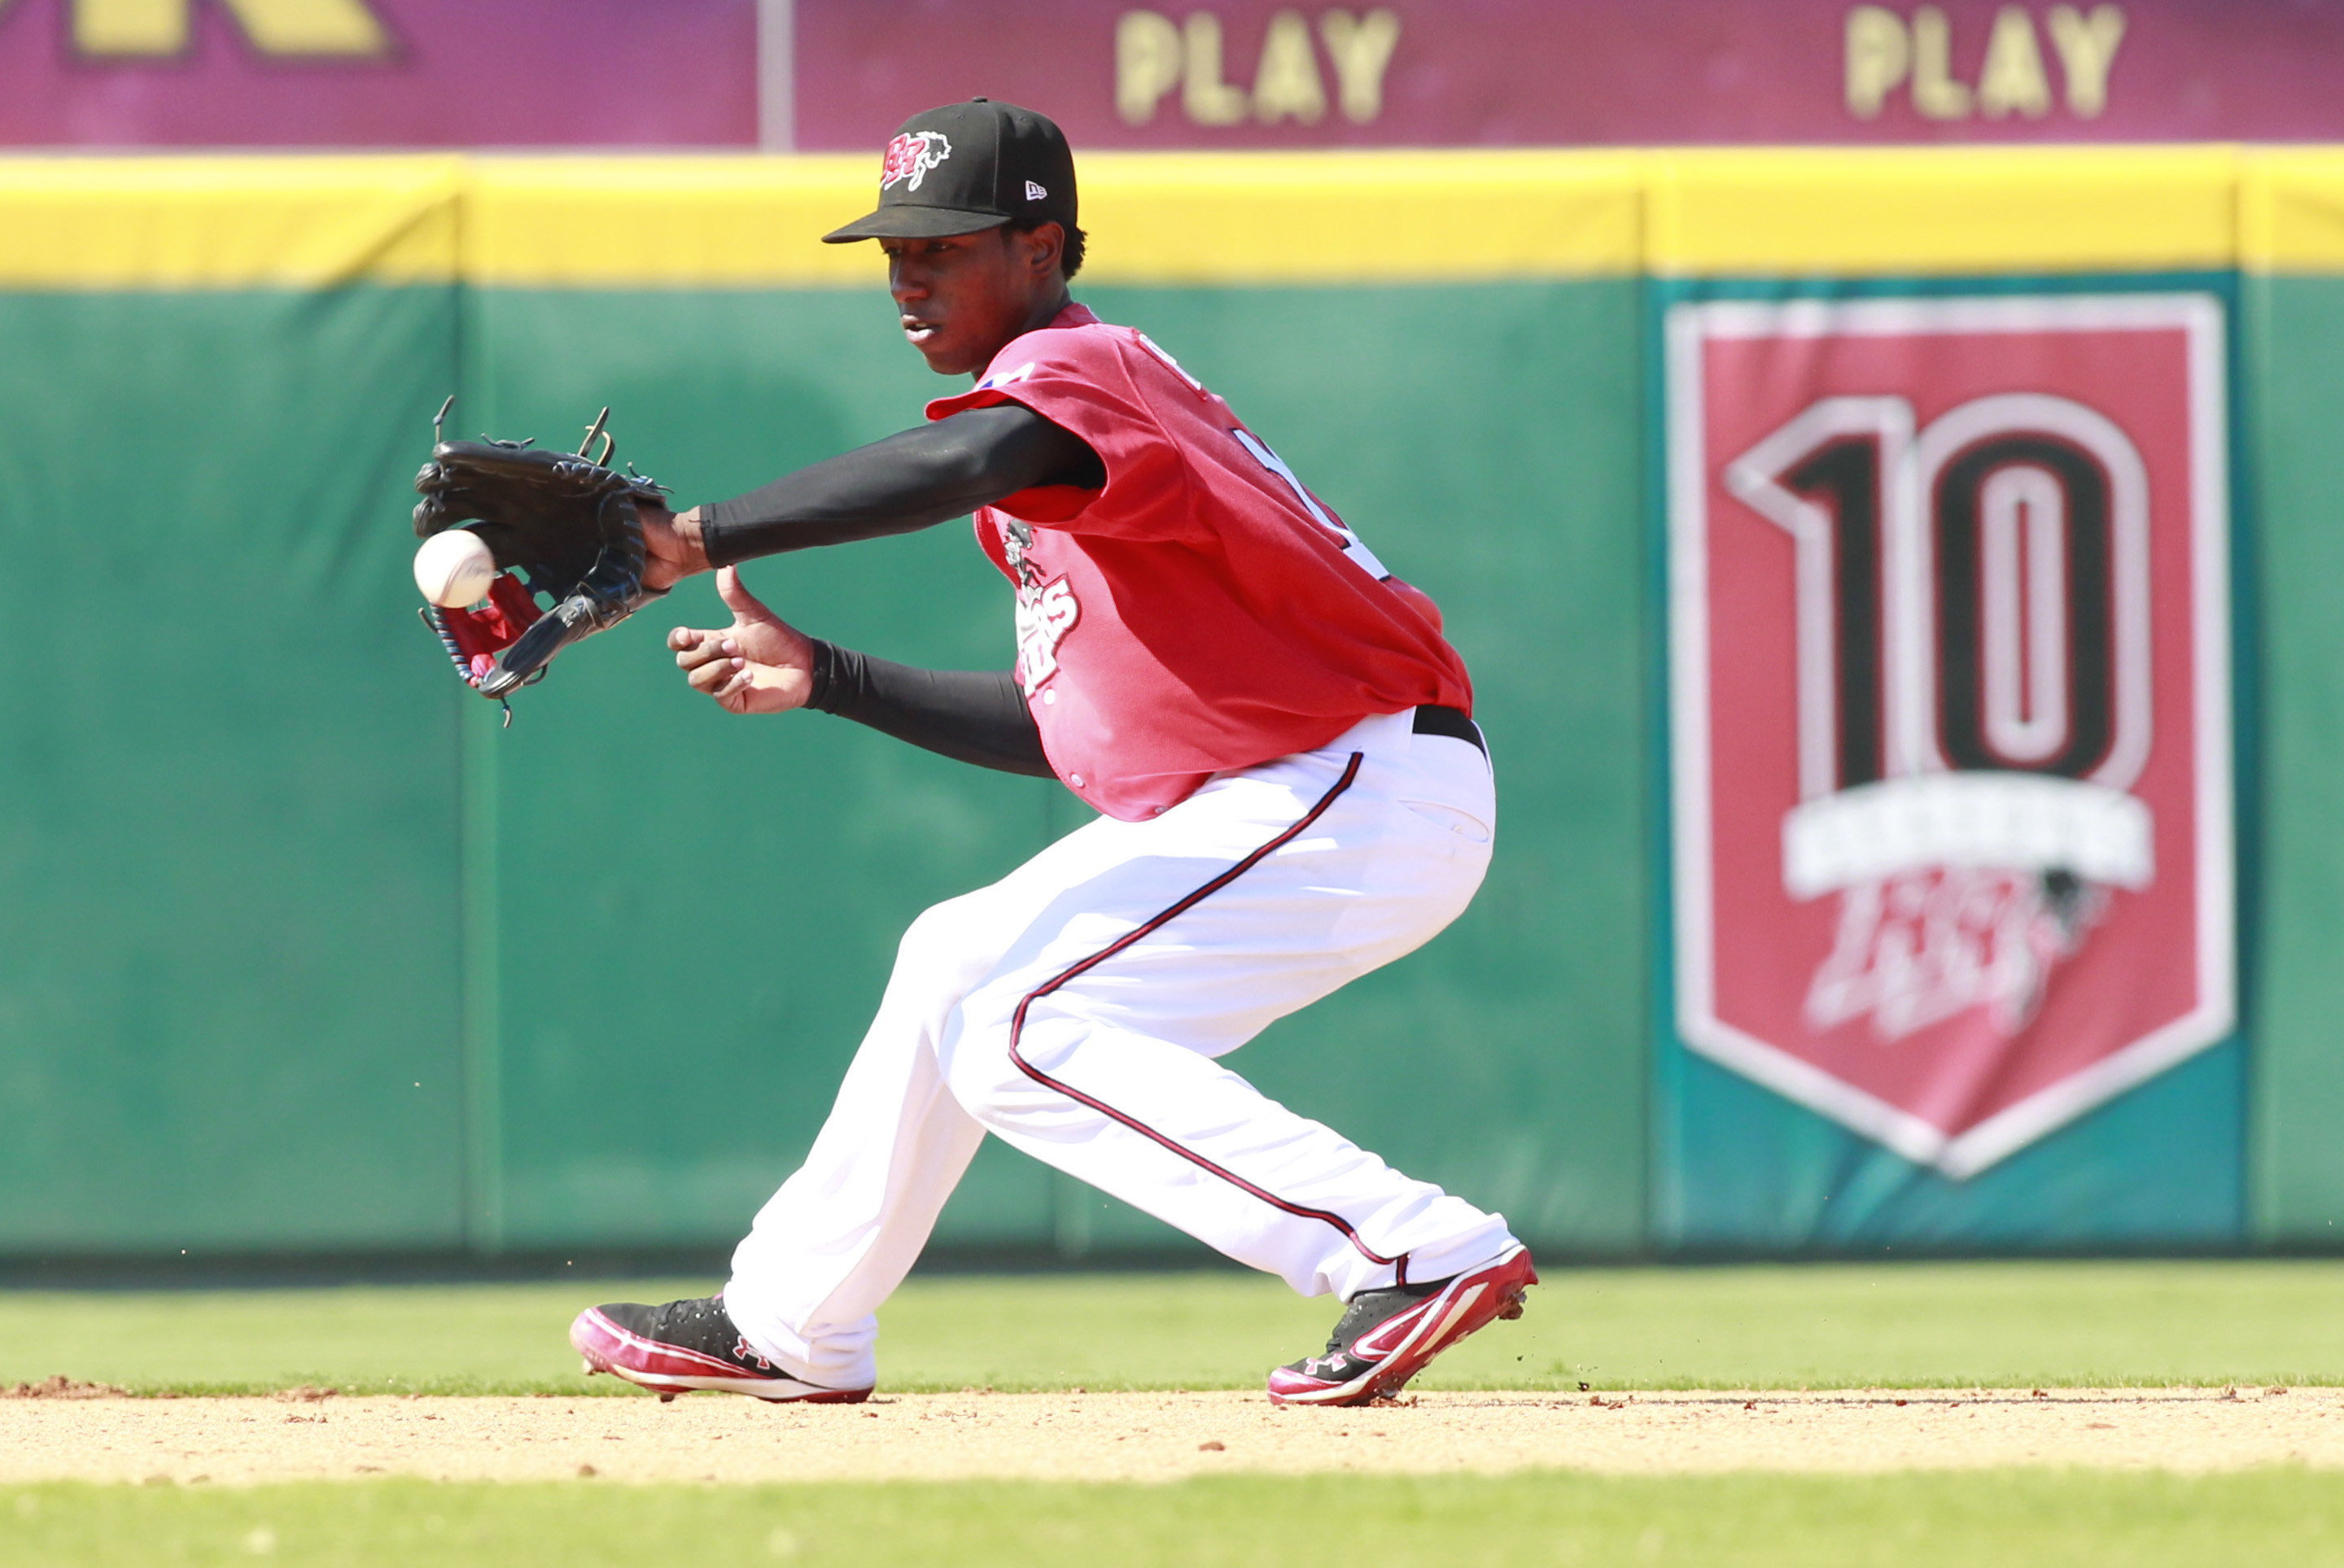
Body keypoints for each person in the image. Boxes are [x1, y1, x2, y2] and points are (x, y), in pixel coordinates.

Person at [569, 98, 1534, 1409]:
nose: (908, 277)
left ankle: (1412, 1251)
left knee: (1022, 1024)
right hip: (1314, 784)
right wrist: (835, 679)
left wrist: (699, 535)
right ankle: (789, 1324)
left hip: (1363, 777)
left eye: (944, 247)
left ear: (1041, 246)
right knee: (954, 963)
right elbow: (1073, 729)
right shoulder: (1075, 462)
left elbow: (967, 453)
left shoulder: (1081, 374)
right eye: (895, 254)